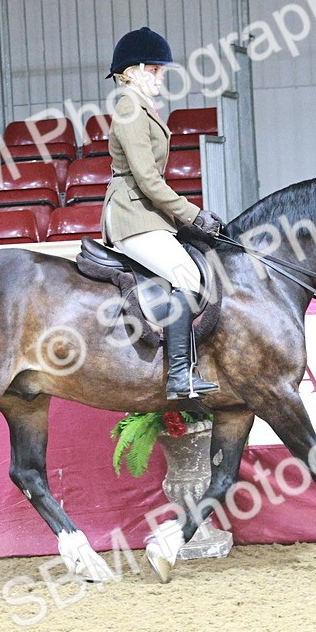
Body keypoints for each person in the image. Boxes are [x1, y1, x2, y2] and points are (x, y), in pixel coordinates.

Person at [101, 27, 224, 400]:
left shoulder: (140, 107)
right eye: (155, 71)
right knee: (188, 276)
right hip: (132, 214)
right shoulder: (128, 108)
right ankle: (179, 377)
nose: (160, 78)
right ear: (135, 71)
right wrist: (192, 214)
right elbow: (148, 180)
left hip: (147, 214)